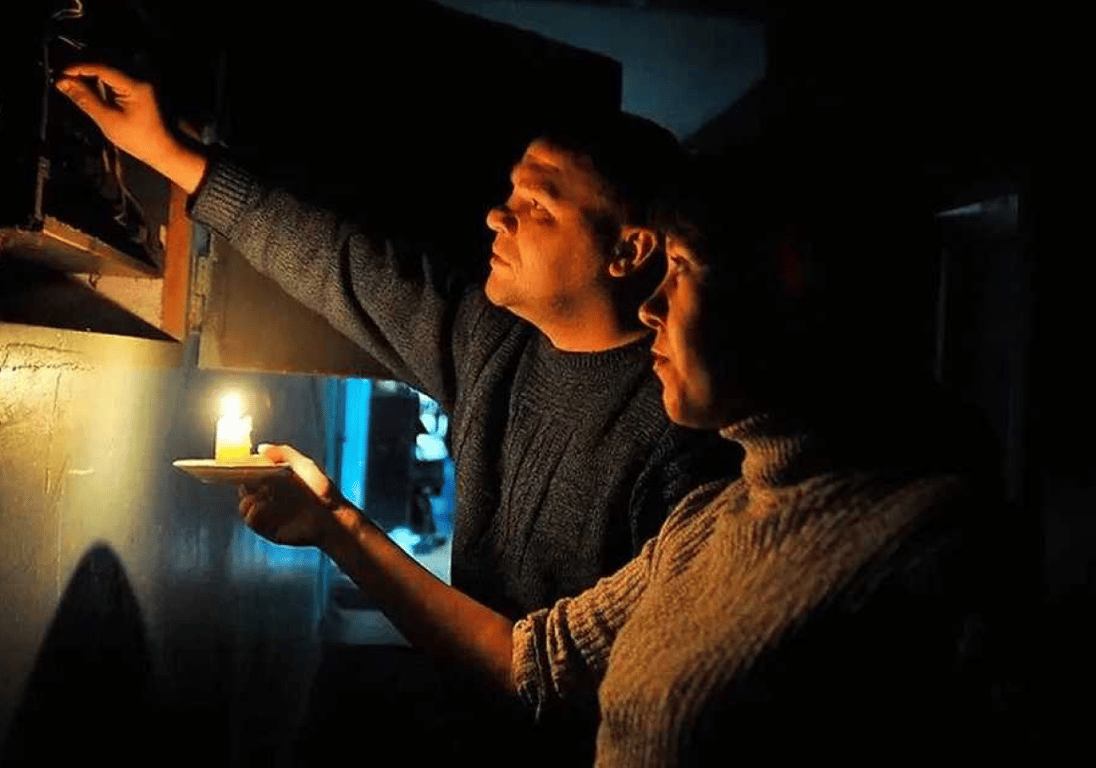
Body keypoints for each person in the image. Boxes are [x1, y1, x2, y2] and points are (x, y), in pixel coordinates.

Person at [55, 65, 741, 764]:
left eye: (538, 205)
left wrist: (336, 525)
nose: (497, 215)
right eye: (510, 192)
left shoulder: (687, 439)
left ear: (628, 250)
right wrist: (169, 153)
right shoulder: (494, 345)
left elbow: (556, 682)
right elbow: (340, 264)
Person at [234, 149, 1011, 766]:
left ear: (788, 287)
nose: (653, 305)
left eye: (685, 269)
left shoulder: (925, 545)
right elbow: (531, 664)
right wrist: (334, 523)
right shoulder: (709, 523)